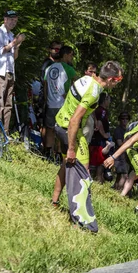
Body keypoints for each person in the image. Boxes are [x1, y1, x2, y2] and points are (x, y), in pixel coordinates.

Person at [50, 60, 123, 208]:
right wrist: (71, 149)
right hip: (69, 129)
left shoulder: (87, 79)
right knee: (83, 172)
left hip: (63, 123)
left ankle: (54, 202)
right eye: (118, 80)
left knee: (67, 166)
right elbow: (75, 119)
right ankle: (80, 213)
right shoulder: (94, 93)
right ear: (110, 79)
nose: (117, 84)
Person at [0, 10, 26, 133]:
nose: (13, 22)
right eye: (10, 19)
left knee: (8, 104)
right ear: (5, 19)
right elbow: (0, 51)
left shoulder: (11, 35)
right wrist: (14, 42)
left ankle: (6, 131)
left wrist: (17, 46)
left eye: (15, 20)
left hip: (10, 71)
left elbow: (14, 57)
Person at [43, 46, 76, 159]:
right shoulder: (68, 69)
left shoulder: (49, 68)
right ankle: (58, 154)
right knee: (62, 130)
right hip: (63, 104)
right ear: (65, 54)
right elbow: (78, 83)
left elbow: (45, 86)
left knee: (50, 129)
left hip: (50, 103)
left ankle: (48, 152)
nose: (72, 58)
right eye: (71, 55)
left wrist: (46, 100)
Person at [89, 92, 111, 184]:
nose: (110, 102)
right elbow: (99, 123)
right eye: (109, 99)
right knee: (100, 166)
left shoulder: (98, 110)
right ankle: (97, 184)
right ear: (105, 100)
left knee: (95, 165)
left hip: (95, 141)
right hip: (98, 142)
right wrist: (104, 135)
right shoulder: (102, 111)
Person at [112, 111, 130, 191]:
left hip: (124, 156)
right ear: (119, 120)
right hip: (120, 157)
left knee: (119, 177)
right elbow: (120, 144)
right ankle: (119, 192)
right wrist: (129, 139)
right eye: (123, 118)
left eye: (126, 118)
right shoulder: (118, 130)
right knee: (124, 176)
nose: (125, 120)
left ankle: (115, 191)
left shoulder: (126, 129)